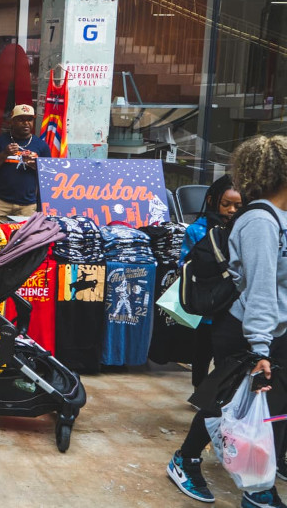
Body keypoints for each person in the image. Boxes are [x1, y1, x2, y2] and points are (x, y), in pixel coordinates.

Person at [167, 135, 287, 507]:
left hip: (274, 328)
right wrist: (260, 347)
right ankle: (191, 462)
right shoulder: (259, 221)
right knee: (227, 404)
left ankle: (263, 474)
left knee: (270, 407)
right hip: (247, 330)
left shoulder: (280, 217)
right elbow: (261, 289)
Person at [181, 175, 243, 389]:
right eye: (226, 204)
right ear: (212, 200)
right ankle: (199, 389)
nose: (232, 210)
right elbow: (185, 263)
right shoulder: (196, 230)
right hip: (206, 300)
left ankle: (217, 391)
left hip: (232, 302)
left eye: (238, 205)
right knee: (202, 350)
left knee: (223, 353)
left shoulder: (243, 228)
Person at [0, 105, 51, 218]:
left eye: (29, 119)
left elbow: (49, 175)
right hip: (0, 203)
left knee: (27, 236)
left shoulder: (41, 145)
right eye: (21, 119)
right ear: (12, 121)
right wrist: (4, 154)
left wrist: (35, 166)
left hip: (28, 206)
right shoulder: (0, 141)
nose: (26, 123)